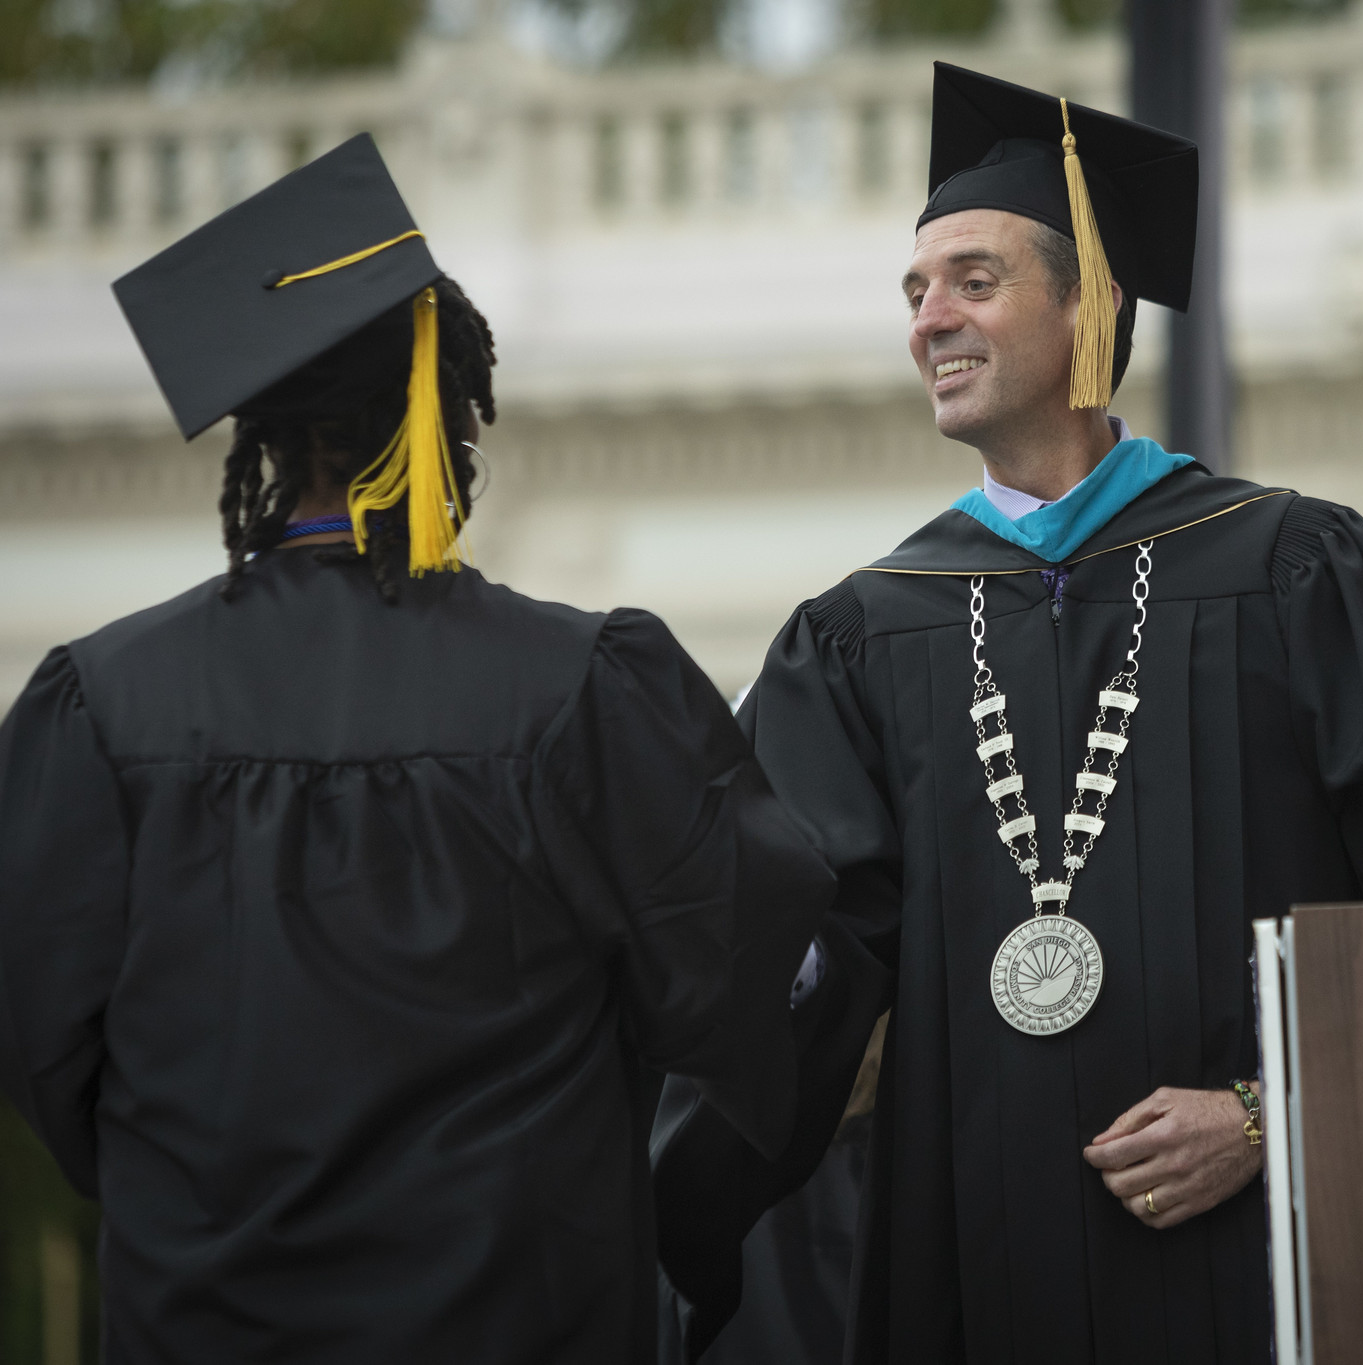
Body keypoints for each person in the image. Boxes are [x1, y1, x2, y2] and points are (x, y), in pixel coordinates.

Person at [654, 64, 1363, 1364]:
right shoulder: (862, 635)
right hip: (977, 1257)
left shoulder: (1293, 569)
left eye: (973, 280)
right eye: (914, 291)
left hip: (1272, 1254)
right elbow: (799, 960)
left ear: (1090, 301)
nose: (930, 319)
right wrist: (638, 1180)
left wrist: (1273, 1112)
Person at [0, 135, 831, 1364]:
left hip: (205, 1315)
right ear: (440, 414)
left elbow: (43, 1043)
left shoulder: (101, 707)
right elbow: (746, 988)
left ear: (258, 435)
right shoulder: (582, 688)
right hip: (514, 1317)